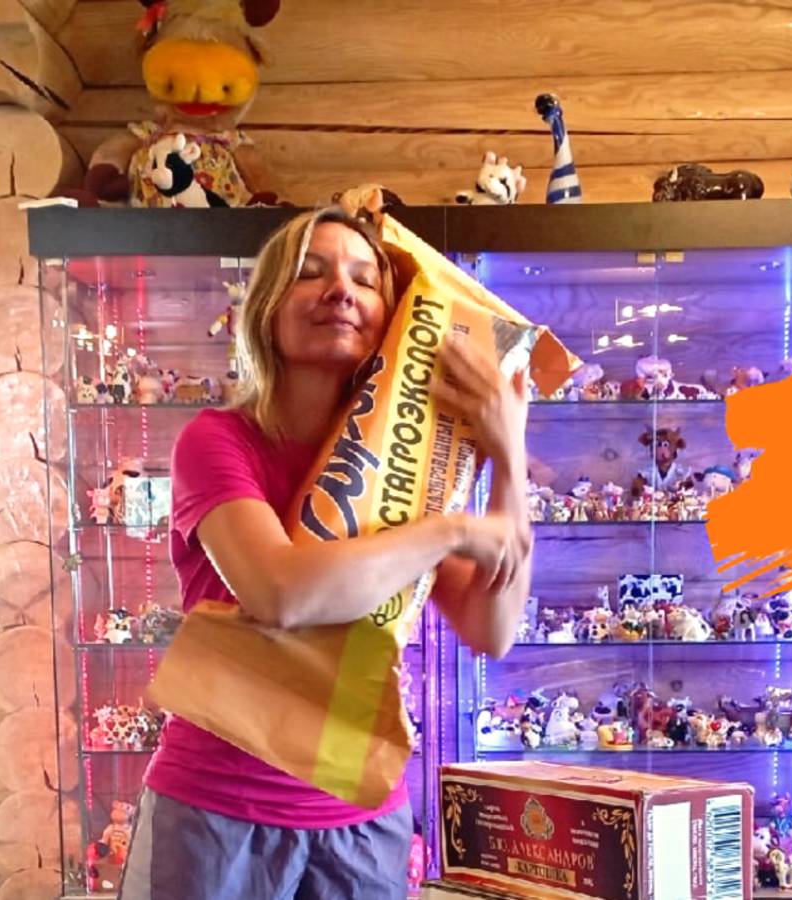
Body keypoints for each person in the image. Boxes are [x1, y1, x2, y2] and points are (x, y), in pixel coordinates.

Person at [118, 206, 532, 899]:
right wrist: (450, 532)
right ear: (266, 310)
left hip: (361, 810)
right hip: (217, 803)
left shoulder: (414, 467)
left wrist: (509, 455)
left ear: (391, 319)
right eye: (310, 273)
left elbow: (494, 629)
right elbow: (281, 592)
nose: (341, 290)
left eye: (365, 280)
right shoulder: (217, 441)